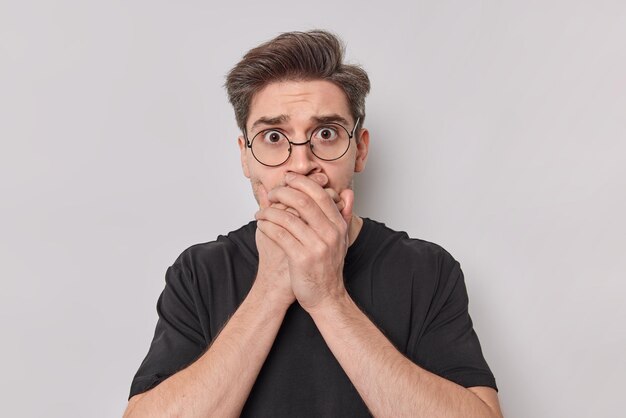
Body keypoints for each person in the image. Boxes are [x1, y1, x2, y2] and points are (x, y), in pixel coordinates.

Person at [124, 30, 503, 417]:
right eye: (273, 136)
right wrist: (271, 288)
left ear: (360, 149)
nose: (302, 164)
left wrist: (328, 297)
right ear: (245, 157)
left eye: (326, 134)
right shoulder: (200, 272)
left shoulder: (426, 269)